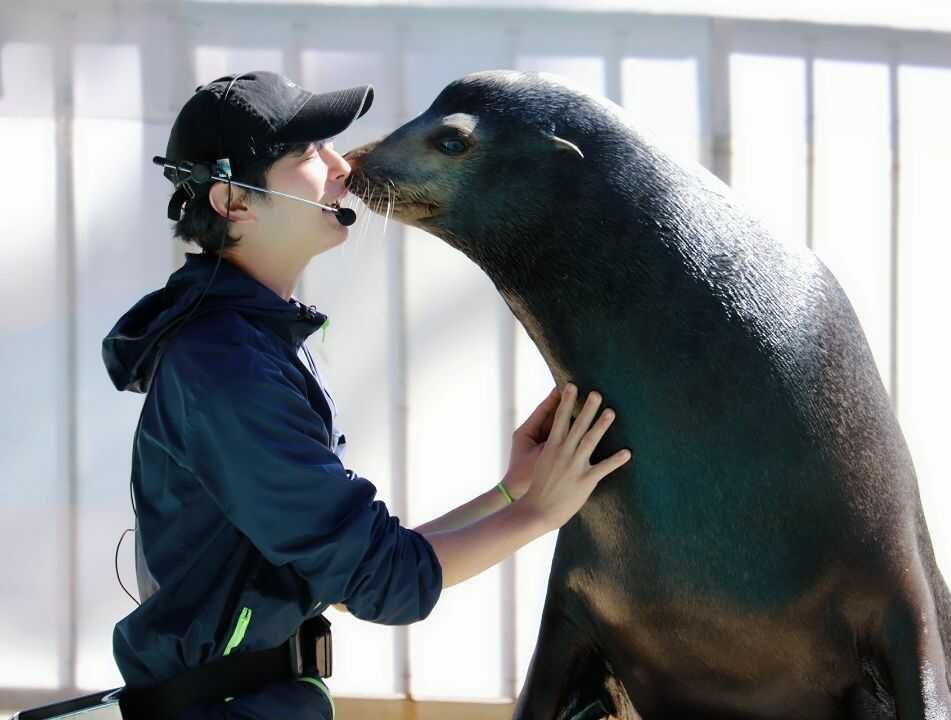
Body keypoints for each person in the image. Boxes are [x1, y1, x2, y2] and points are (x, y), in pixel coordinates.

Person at [101, 70, 631, 719]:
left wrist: (510, 492)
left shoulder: (252, 343)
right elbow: (385, 582)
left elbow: (354, 571)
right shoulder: (226, 366)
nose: (341, 167)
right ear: (232, 203)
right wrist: (539, 514)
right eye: (306, 155)